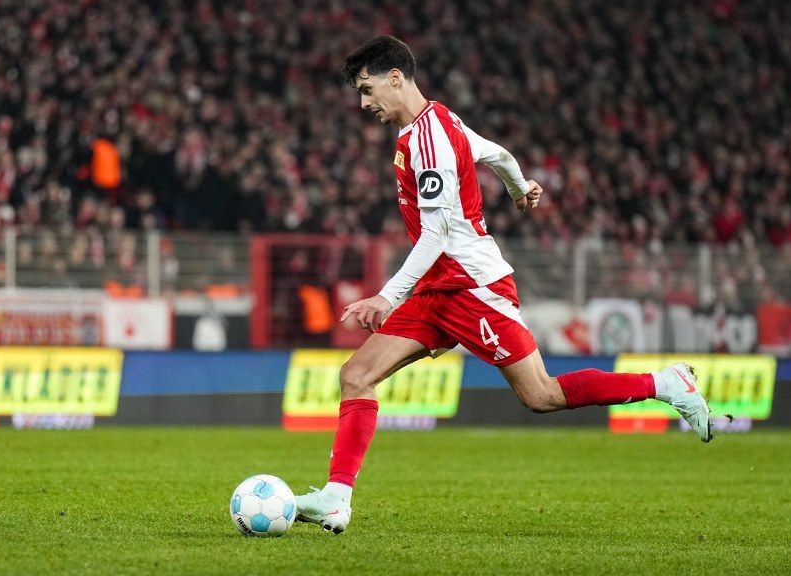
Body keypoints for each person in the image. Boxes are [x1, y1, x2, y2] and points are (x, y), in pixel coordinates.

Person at [295, 36, 712, 535]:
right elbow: (497, 154)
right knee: (356, 375)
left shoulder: (428, 141)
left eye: (367, 90)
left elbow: (438, 233)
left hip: (473, 289)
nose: (364, 104)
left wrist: (387, 295)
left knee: (541, 395)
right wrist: (520, 188)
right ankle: (337, 499)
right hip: (437, 290)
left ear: (395, 78)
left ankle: (666, 385)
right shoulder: (438, 121)